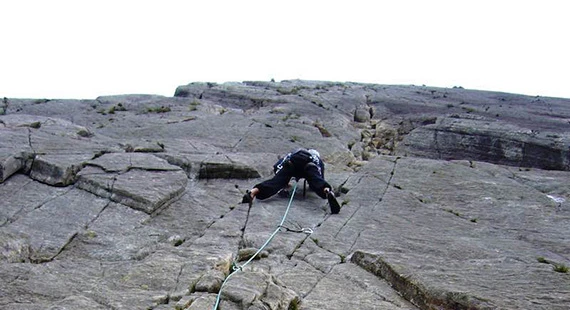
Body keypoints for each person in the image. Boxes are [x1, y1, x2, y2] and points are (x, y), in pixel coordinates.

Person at [241, 148, 341, 214]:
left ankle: (253, 192)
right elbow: (318, 177)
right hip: (309, 166)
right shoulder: (316, 159)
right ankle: (328, 192)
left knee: (274, 183)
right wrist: (316, 185)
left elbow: (277, 167)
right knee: (317, 182)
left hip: (291, 164)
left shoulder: (291, 155)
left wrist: (284, 182)